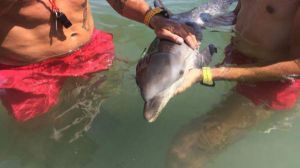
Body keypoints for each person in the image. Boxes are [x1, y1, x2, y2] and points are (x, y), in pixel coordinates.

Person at [0, 0, 198, 122]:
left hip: (88, 51)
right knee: (41, 127)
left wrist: (153, 18)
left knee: (96, 99)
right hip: (28, 69)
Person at [168, 0, 300, 167]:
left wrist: (209, 74)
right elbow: (239, 13)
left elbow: (298, 66)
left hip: (273, 80)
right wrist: (192, 24)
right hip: (236, 55)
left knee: (186, 150)